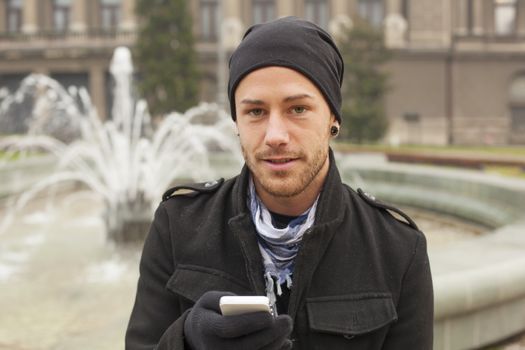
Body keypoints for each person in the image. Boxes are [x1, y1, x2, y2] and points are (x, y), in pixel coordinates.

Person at [125, 17, 433, 350]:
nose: (275, 136)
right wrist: (185, 340)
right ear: (237, 122)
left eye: (297, 109)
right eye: (255, 112)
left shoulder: (398, 249)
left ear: (332, 118)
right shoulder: (178, 225)